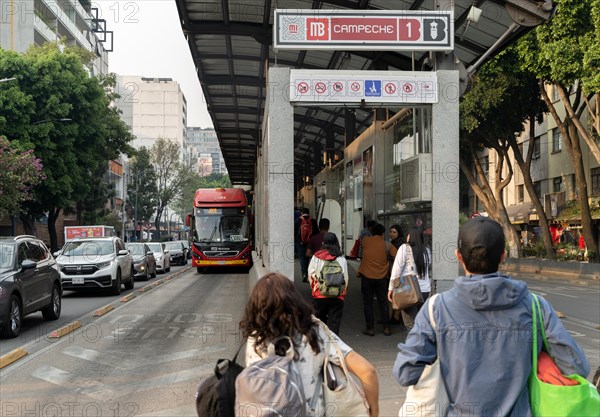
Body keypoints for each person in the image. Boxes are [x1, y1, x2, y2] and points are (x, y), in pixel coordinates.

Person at [393, 217, 590, 417]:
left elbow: (405, 373)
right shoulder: (536, 307)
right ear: (503, 256)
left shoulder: (436, 309)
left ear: (458, 256)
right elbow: (576, 367)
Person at [240, 272, 380, 417]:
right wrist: (374, 411)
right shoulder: (314, 332)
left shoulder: (255, 340)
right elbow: (367, 371)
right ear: (295, 300)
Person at [387, 226, 431, 331]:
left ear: (409, 236)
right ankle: (421, 343)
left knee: (410, 322)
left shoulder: (404, 248)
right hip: (425, 290)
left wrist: (391, 288)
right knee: (420, 320)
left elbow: (396, 271)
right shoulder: (427, 251)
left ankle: (416, 345)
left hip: (410, 290)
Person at [308, 232, 348, 335]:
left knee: (319, 323)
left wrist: (315, 288)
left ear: (323, 243)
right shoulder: (341, 258)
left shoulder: (316, 257)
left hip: (319, 295)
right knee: (334, 323)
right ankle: (333, 346)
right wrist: (342, 292)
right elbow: (346, 278)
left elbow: (311, 275)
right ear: (336, 243)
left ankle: (321, 345)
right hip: (337, 296)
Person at [358, 223, 391, 336]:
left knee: (368, 303)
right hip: (381, 277)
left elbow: (361, 243)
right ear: (383, 233)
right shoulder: (387, 244)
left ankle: (370, 328)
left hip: (367, 277)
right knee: (383, 302)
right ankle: (386, 328)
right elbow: (397, 255)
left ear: (372, 232)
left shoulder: (366, 241)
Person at [294, 208, 319, 282]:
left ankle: (304, 274)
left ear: (301, 213)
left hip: (300, 243)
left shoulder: (298, 221)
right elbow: (316, 232)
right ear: (308, 213)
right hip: (310, 243)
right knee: (312, 259)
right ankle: (311, 275)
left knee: (302, 258)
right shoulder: (313, 221)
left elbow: (294, 233)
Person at [387, 224, 404, 324]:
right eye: (391, 232)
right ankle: (395, 316)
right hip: (397, 272)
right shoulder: (397, 242)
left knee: (395, 294)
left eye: (394, 232)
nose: (392, 234)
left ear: (399, 233)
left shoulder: (397, 244)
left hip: (396, 272)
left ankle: (396, 316)